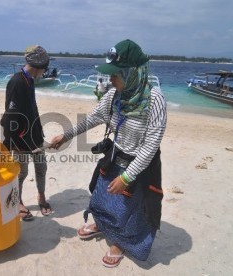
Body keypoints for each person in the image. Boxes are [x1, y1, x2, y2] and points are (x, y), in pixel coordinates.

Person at [50, 39, 167, 268]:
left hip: (140, 166)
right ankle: (102, 225)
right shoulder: (114, 95)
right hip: (115, 155)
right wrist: (66, 135)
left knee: (129, 208)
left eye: (115, 75)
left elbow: (151, 145)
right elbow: (94, 118)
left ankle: (120, 243)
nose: (111, 80)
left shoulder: (154, 101)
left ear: (132, 73)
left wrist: (127, 177)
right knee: (101, 194)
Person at [0, 45, 52, 221]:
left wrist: (39, 130)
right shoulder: (17, 82)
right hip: (20, 140)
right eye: (45, 68)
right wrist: (12, 144)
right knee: (21, 173)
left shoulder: (29, 80)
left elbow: (32, 109)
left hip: (36, 135)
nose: (45, 72)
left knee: (41, 168)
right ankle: (19, 202)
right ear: (38, 66)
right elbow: (9, 117)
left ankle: (42, 197)